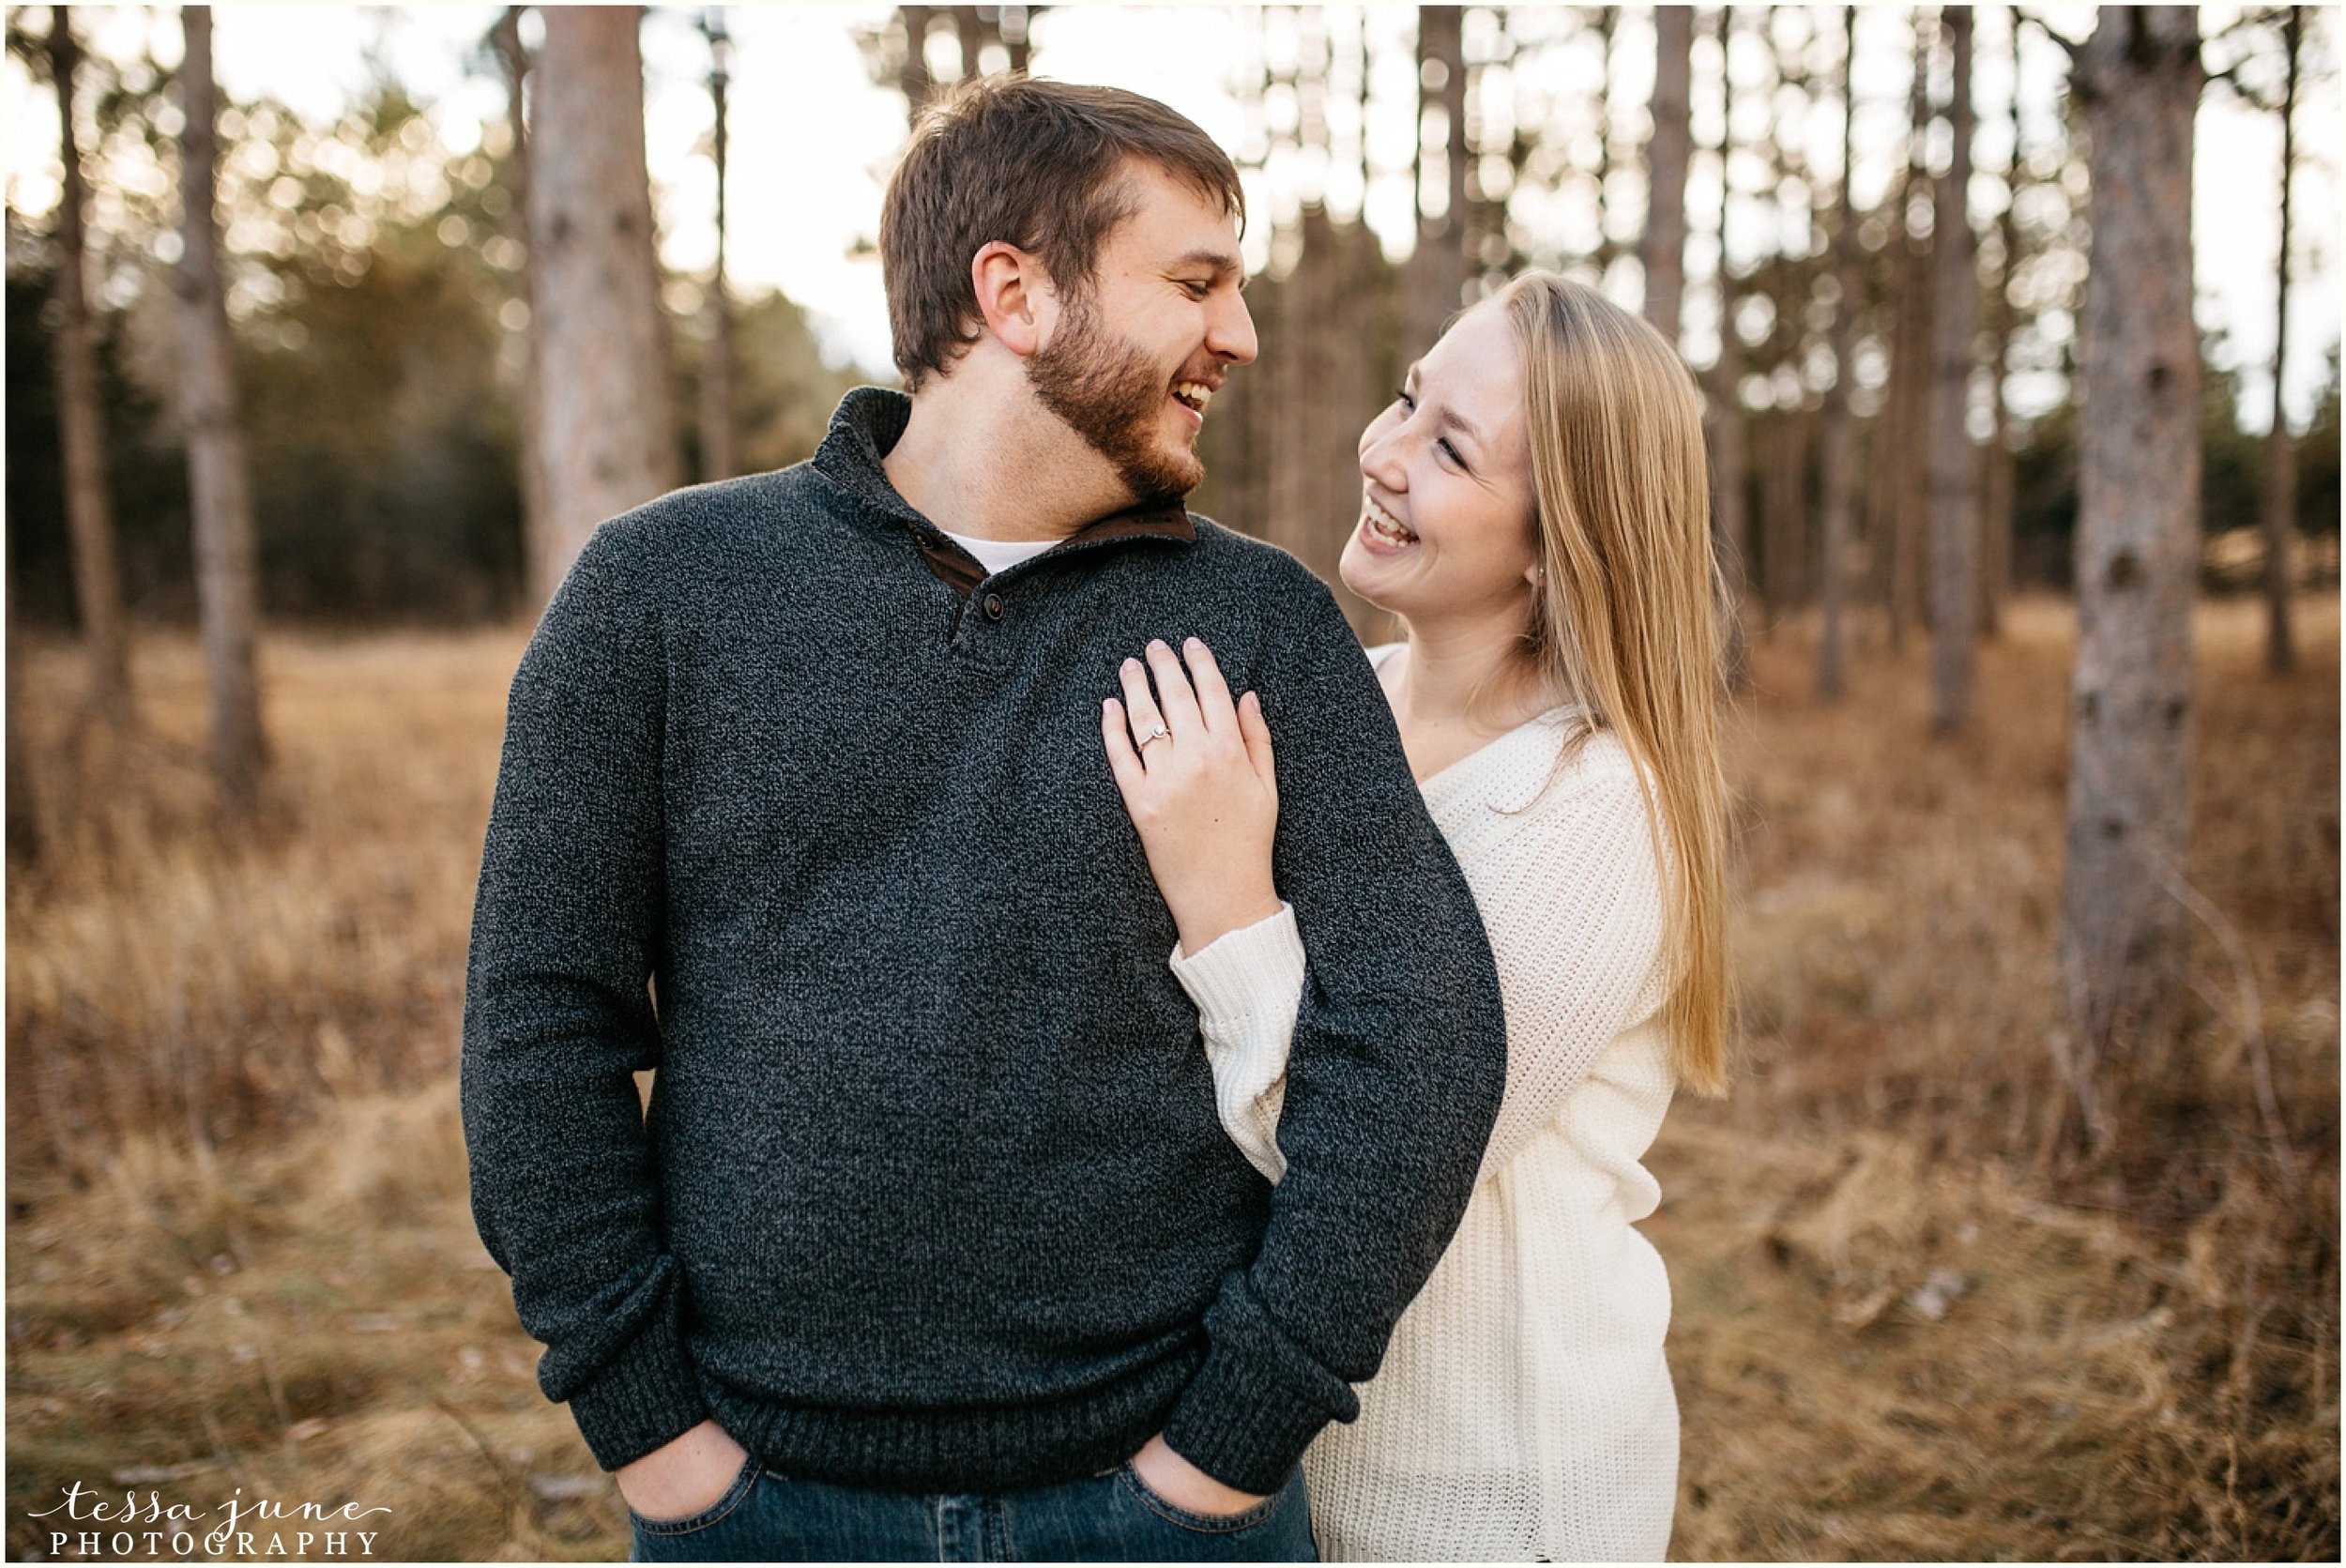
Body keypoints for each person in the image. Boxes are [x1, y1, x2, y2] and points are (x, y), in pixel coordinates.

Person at [460, 77, 1509, 1563]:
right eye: (1197, 282)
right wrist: (650, 1434)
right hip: (755, 1504)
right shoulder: (660, 597)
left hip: (1161, 1507)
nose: (1243, 336)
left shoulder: (1262, 618)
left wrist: (1233, 1442)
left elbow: (1423, 1039)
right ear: (1014, 292)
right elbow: (540, 1023)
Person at [1101, 272, 1730, 1562]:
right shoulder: (1348, 701)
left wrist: (1222, 893)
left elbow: (1368, 1166)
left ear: (1561, 541)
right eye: (1406, 400)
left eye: (1449, 449)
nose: (1379, 454)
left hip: (1486, 1499)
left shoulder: (1597, 807)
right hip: (1271, 1466)